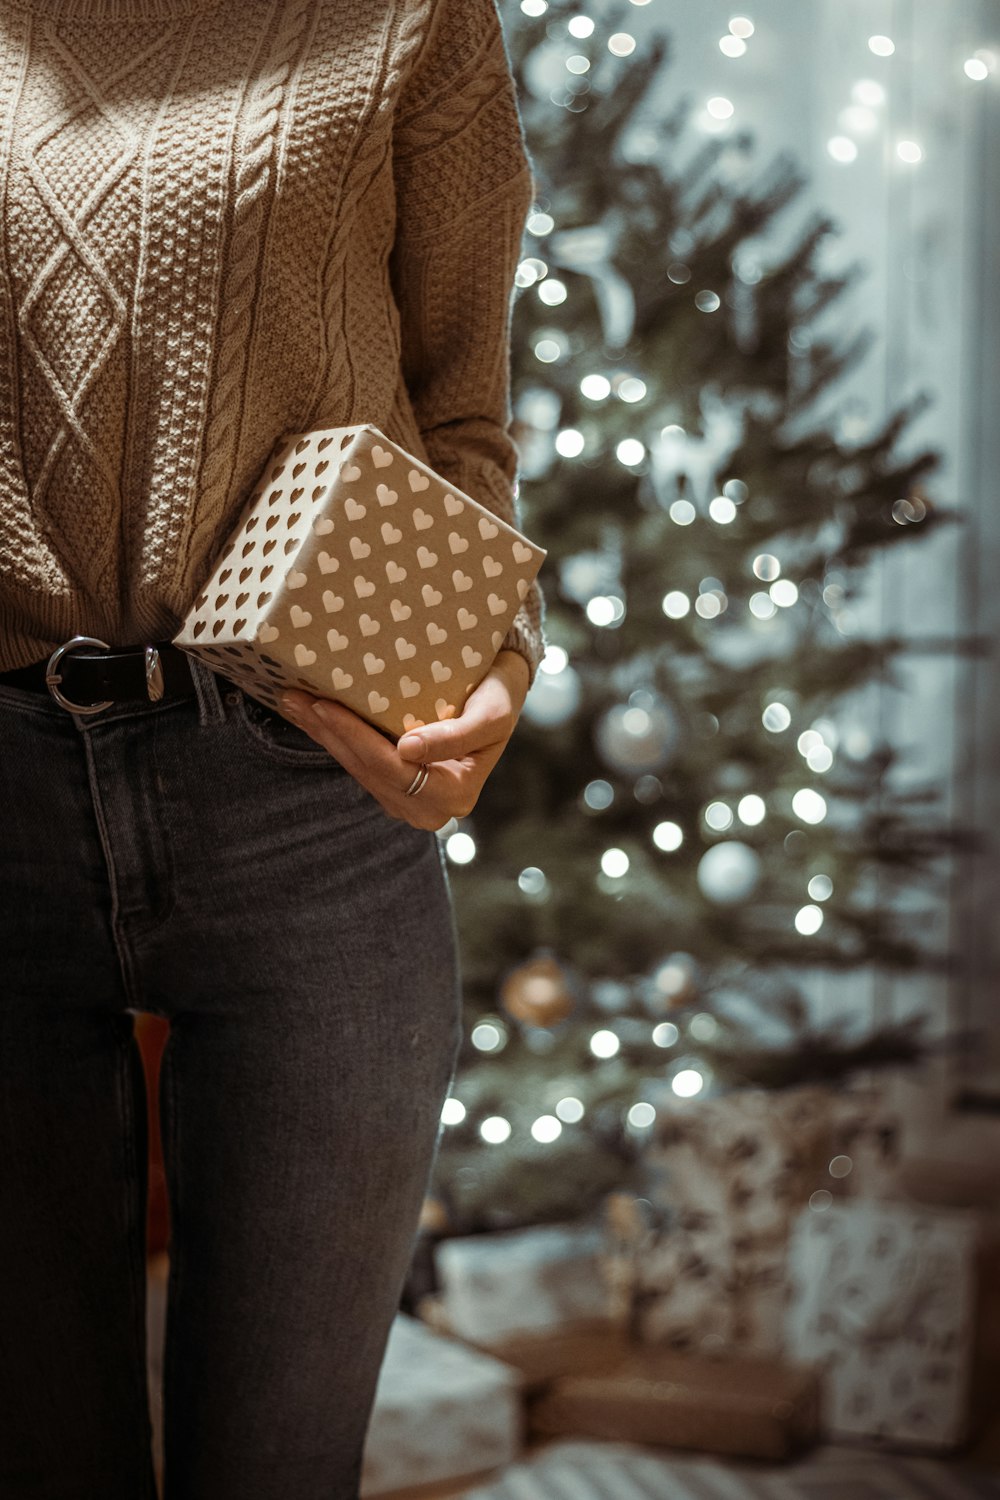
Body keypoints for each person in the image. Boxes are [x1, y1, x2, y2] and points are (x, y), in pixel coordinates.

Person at [0, 0, 546, 1495]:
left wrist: (495, 665)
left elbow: (464, 412)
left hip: (307, 790)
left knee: (279, 1467)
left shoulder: (409, 20)